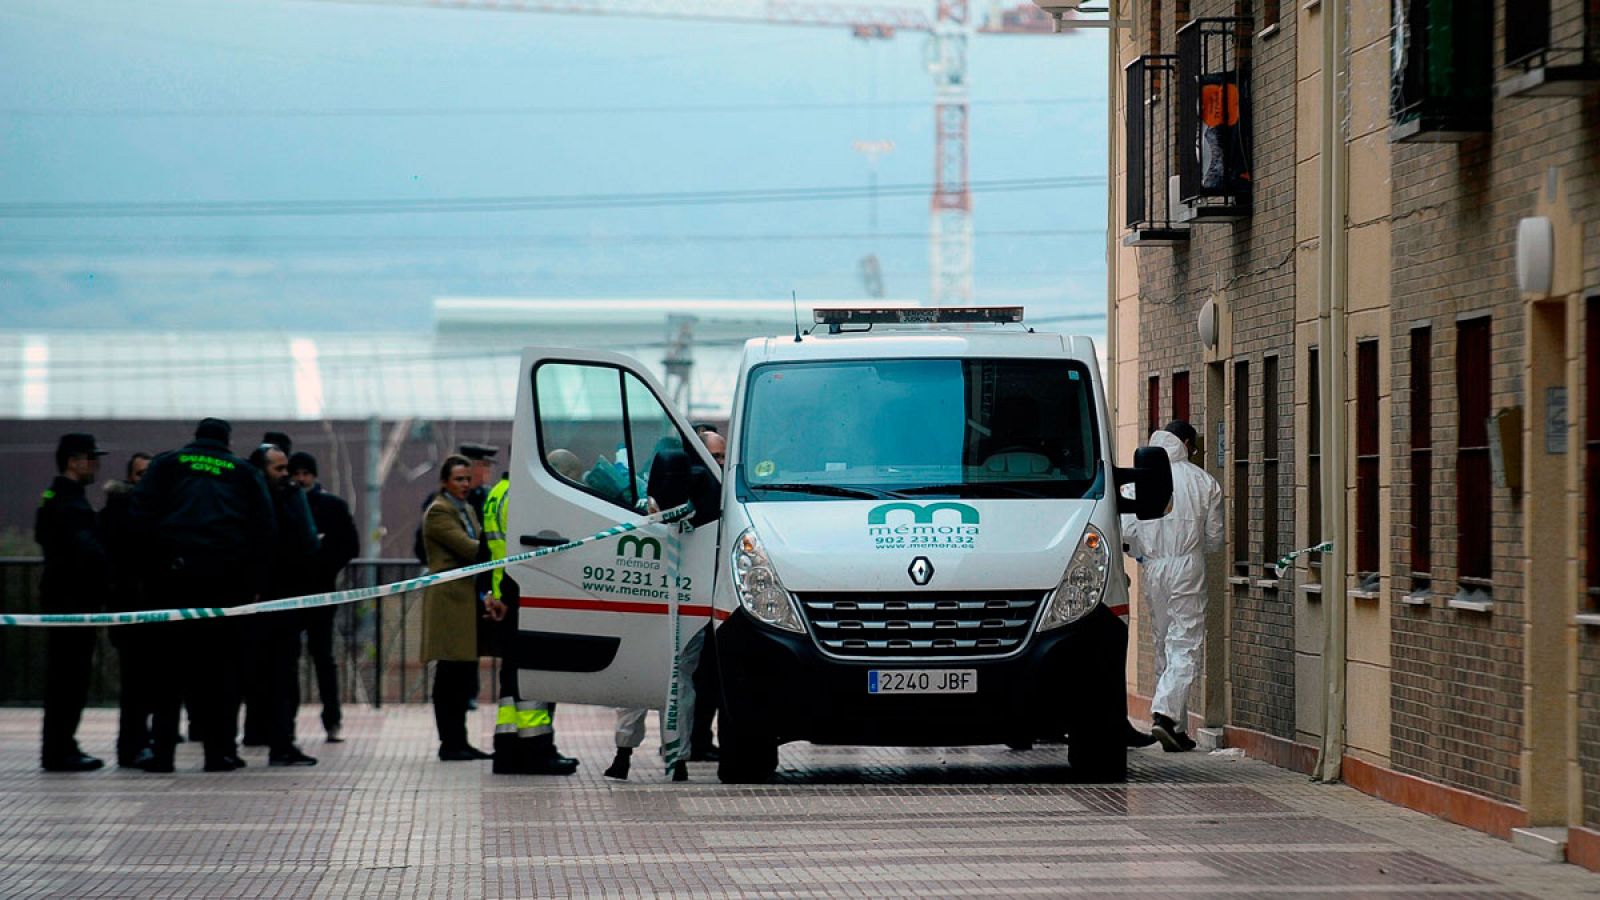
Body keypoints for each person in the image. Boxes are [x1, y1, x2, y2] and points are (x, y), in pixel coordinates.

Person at [131, 417, 276, 772]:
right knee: (221, 674)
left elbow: (139, 515)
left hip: (172, 583)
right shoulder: (242, 472)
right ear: (227, 442)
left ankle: (162, 752)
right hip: (225, 587)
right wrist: (254, 584)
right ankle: (219, 752)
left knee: (167, 672)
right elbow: (265, 529)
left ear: (195, 438)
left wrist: (151, 572)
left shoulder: (168, 463)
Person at [1120, 420, 1223, 753]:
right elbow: (1214, 539)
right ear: (1188, 443)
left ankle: (1176, 729)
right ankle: (1165, 715)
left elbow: (1127, 532)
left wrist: (1145, 554)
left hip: (1153, 567)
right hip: (1186, 565)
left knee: (1164, 640)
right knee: (1186, 641)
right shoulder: (1203, 482)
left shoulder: (1140, 478)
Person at [482, 469, 579, 776]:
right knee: (534, 672)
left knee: (512, 679)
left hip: (505, 595)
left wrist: (488, 593)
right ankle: (537, 750)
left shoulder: (497, 492)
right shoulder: (524, 499)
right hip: (523, 595)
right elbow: (529, 550)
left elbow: (485, 550)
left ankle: (508, 748)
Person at [35, 432, 111, 772]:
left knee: (65, 677)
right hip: (72, 601)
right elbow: (85, 551)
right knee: (69, 678)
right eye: (90, 458)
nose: (95, 464)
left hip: (64, 598)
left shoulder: (56, 496)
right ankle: (60, 749)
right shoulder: (67, 502)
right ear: (73, 461)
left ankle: (62, 744)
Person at [244, 443, 320, 766]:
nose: (287, 476)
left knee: (283, 676)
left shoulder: (288, 497)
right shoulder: (260, 501)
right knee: (260, 676)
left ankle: (281, 741)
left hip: (284, 602)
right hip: (260, 602)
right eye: (278, 469)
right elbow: (304, 542)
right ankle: (261, 739)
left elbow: (307, 542)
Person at [422, 455, 502, 761]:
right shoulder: (439, 511)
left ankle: (461, 741)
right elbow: (470, 549)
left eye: (468, 479)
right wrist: (497, 545)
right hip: (449, 602)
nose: (465, 484)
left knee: (464, 674)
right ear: (445, 482)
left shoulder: (466, 509)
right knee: (450, 674)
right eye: (459, 479)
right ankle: (450, 742)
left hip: (467, 600)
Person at [288, 451, 360, 743]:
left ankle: (332, 719)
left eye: (306, 473)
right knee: (289, 661)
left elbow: (349, 546)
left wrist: (322, 561)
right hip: (291, 595)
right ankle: (286, 724)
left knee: (323, 658)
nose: (302, 479)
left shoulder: (331, 507)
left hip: (320, 593)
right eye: (297, 473)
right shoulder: (285, 504)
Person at [103, 451, 155, 768]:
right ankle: (133, 745)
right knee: (135, 683)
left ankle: (139, 741)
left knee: (145, 684)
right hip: (130, 610)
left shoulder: (148, 509)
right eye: (140, 473)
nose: (145, 480)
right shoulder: (122, 512)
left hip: (148, 609)